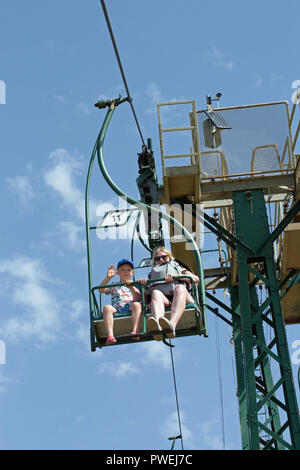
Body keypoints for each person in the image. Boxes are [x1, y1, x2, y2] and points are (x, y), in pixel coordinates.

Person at [142, 247, 199, 341]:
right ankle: (158, 327)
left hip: (183, 297)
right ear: (154, 262)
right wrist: (143, 286)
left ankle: (172, 325)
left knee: (180, 288)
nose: (161, 260)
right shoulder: (152, 274)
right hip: (166, 300)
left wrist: (177, 277)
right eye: (157, 259)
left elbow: (196, 279)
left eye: (164, 257)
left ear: (169, 257)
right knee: (155, 293)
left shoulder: (178, 267)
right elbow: (147, 296)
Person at [98, 259, 142, 346]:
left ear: (132, 272)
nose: (126, 272)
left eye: (128, 270)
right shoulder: (114, 285)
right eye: (123, 270)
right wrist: (108, 278)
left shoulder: (134, 285)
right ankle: (110, 335)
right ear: (117, 272)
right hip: (117, 308)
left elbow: (138, 298)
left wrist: (131, 288)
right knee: (107, 308)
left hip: (130, 307)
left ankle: (135, 330)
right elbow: (101, 290)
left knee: (137, 305)